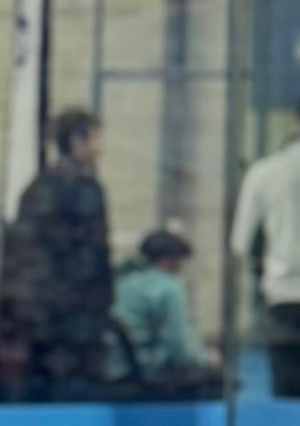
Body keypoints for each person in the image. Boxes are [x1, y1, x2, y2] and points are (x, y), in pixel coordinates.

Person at [0, 108, 114, 401]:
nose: (102, 148)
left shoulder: (40, 185)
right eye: (96, 139)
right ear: (77, 142)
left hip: (38, 318)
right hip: (72, 321)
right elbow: (90, 260)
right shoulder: (83, 188)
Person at [232, 109, 300, 397]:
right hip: (280, 290)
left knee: (286, 396)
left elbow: (240, 242)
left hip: (281, 291)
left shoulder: (263, 172)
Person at [106, 229, 219, 396]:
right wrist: (207, 358)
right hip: (146, 369)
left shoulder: (123, 281)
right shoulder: (168, 288)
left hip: (115, 365)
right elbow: (179, 345)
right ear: (171, 260)